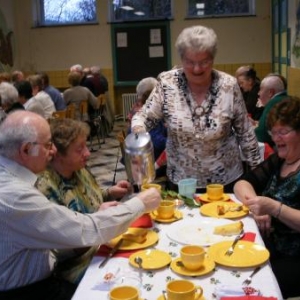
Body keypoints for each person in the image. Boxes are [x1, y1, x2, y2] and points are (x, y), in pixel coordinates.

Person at [0, 110, 161, 300]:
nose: (52, 152)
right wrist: (140, 203)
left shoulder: (16, 181)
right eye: (47, 145)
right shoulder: (15, 196)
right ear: (26, 150)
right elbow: (85, 230)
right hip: (30, 291)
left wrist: (110, 195)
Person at [131, 25, 261, 193]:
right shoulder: (167, 84)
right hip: (182, 181)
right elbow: (142, 117)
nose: (197, 69)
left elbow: (246, 134)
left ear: (213, 59)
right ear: (181, 59)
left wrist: (258, 178)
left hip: (226, 180)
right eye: (190, 62)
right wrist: (139, 131)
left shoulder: (228, 85)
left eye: (204, 61)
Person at [36, 118, 132, 284]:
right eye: (79, 149)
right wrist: (98, 218)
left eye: (86, 146)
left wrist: (110, 192)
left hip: (104, 242)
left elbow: (90, 198)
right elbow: (60, 251)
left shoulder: (78, 170)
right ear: (58, 155)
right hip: (79, 264)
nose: (87, 153)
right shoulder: (46, 189)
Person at [233, 96, 300, 299]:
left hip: (295, 258)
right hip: (270, 245)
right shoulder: (280, 161)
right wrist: (255, 204)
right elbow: (242, 183)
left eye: (283, 132)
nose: (275, 138)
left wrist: (274, 208)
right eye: (273, 132)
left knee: (248, 284)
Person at [128, 77, 167, 167]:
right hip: (149, 163)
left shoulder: (138, 107)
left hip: (146, 157)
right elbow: (156, 141)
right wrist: (175, 141)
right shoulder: (146, 114)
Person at [254, 74, 287, 148]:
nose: (258, 93)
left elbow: (262, 135)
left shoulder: (273, 103)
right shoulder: (287, 98)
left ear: (270, 92)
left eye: (261, 89)